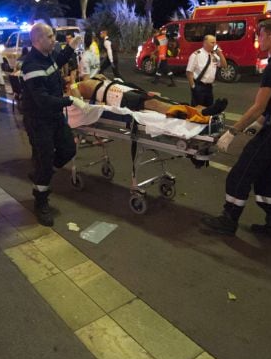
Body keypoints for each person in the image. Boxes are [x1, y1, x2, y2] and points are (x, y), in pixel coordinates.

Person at [200, 18, 271, 243]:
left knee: (240, 174)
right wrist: (259, 124)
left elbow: (259, 106)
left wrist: (232, 132)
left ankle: (228, 220)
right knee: (265, 179)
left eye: (261, 35)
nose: (258, 38)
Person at [20, 22, 83, 226]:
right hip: (39, 121)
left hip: (54, 117)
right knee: (45, 162)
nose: (53, 39)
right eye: (49, 36)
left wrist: (72, 47)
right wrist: (70, 100)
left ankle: (42, 171)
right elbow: (42, 100)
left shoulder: (47, 57)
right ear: (37, 40)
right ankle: (41, 201)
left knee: (68, 149)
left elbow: (58, 60)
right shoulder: (32, 66)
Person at [70, 75, 227, 123]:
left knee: (166, 100)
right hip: (118, 97)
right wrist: (72, 84)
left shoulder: (92, 77)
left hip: (125, 90)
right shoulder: (75, 87)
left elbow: (116, 81)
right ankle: (197, 115)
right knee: (157, 105)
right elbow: (79, 102)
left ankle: (202, 110)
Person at [186, 34, 227, 107]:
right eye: (212, 43)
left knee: (208, 109)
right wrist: (193, 87)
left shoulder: (214, 55)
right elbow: (189, 72)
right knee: (197, 110)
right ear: (205, 43)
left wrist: (220, 54)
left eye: (215, 42)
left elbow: (224, 65)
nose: (215, 45)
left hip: (209, 87)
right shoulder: (196, 55)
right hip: (199, 85)